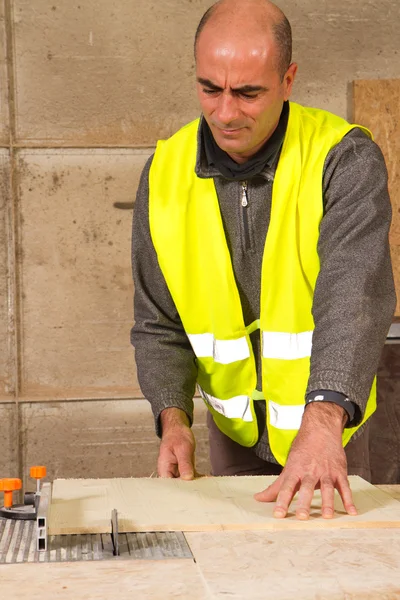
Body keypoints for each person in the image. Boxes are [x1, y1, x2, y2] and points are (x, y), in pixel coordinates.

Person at [131, 0, 395, 520]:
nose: (226, 113)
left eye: (248, 93)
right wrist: (173, 419)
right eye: (210, 89)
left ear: (288, 79)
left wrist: (323, 424)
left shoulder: (341, 158)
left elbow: (354, 300)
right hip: (234, 432)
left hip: (327, 423)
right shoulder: (164, 173)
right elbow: (157, 321)